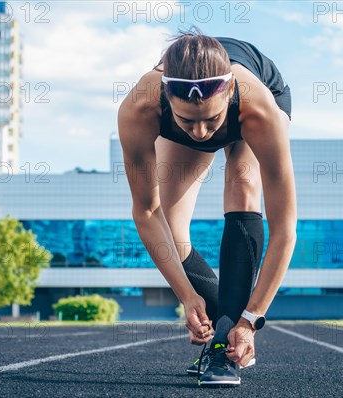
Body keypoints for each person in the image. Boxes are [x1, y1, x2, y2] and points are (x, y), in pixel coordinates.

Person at [117, 27, 297, 387]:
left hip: (256, 94)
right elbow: (146, 211)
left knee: (243, 184)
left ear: (229, 92)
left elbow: (283, 229)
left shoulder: (261, 111)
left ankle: (225, 345)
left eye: (210, 122)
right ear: (166, 99)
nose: (201, 134)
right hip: (202, 105)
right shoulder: (139, 108)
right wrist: (187, 295)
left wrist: (250, 320)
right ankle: (221, 332)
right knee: (171, 225)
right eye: (188, 122)